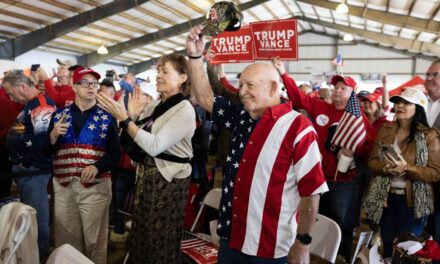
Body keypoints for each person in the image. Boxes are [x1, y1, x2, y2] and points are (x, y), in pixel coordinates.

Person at [186, 25, 328, 264]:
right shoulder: (242, 115)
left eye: (249, 86)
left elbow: (311, 192)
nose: (241, 92)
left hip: (270, 249)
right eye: (241, 85)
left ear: (272, 87)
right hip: (231, 238)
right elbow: (205, 98)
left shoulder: (298, 128)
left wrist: (303, 243)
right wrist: (194, 56)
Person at [272, 57, 375, 262]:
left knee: (339, 224)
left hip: (343, 182)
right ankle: (315, 255)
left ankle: (340, 257)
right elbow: (298, 98)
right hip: (317, 179)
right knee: (314, 220)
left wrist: (354, 152)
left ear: (352, 94)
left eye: (343, 88)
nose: (337, 90)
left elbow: (370, 146)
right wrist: (283, 72)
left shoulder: (358, 118)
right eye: (336, 87)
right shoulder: (321, 107)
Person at [96, 54, 196, 264]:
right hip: (146, 179)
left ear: (183, 78)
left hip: (168, 183)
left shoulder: (184, 110)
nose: (158, 76)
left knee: (160, 240)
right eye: (158, 71)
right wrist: (131, 117)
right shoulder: (154, 106)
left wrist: (124, 119)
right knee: (141, 236)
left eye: (165, 72)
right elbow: (134, 147)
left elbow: (154, 145)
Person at [48, 66, 121, 264]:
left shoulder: (107, 117)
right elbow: (46, 152)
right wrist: (53, 136)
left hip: (95, 187)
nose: (91, 86)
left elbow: (116, 154)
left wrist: (98, 166)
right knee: (66, 240)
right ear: (74, 86)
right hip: (64, 186)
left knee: (94, 241)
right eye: (85, 82)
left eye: (94, 83)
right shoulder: (58, 115)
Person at [366, 87, 440, 258]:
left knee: (407, 251)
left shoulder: (429, 135)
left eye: (406, 103)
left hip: (413, 203)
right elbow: (371, 162)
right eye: (398, 102)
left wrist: (407, 168)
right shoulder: (386, 130)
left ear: (418, 108)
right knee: (387, 246)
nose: (399, 105)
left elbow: (436, 173)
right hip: (385, 199)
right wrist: (385, 168)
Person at [3, 71, 56, 259]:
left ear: (23, 87)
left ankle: (40, 256)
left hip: (34, 171)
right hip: (28, 171)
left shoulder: (42, 105)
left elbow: (42, 140)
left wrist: (25, 163)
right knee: (30, 217)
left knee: (36, 218)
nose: (10, 97)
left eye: (11, 93)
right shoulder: (29, 105)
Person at [425, 59, 440, 249]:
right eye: (427, 74)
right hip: (415, 184)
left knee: (436, 238)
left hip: (439, 187)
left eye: (435, 75)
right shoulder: (417, 104)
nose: (429, 78)